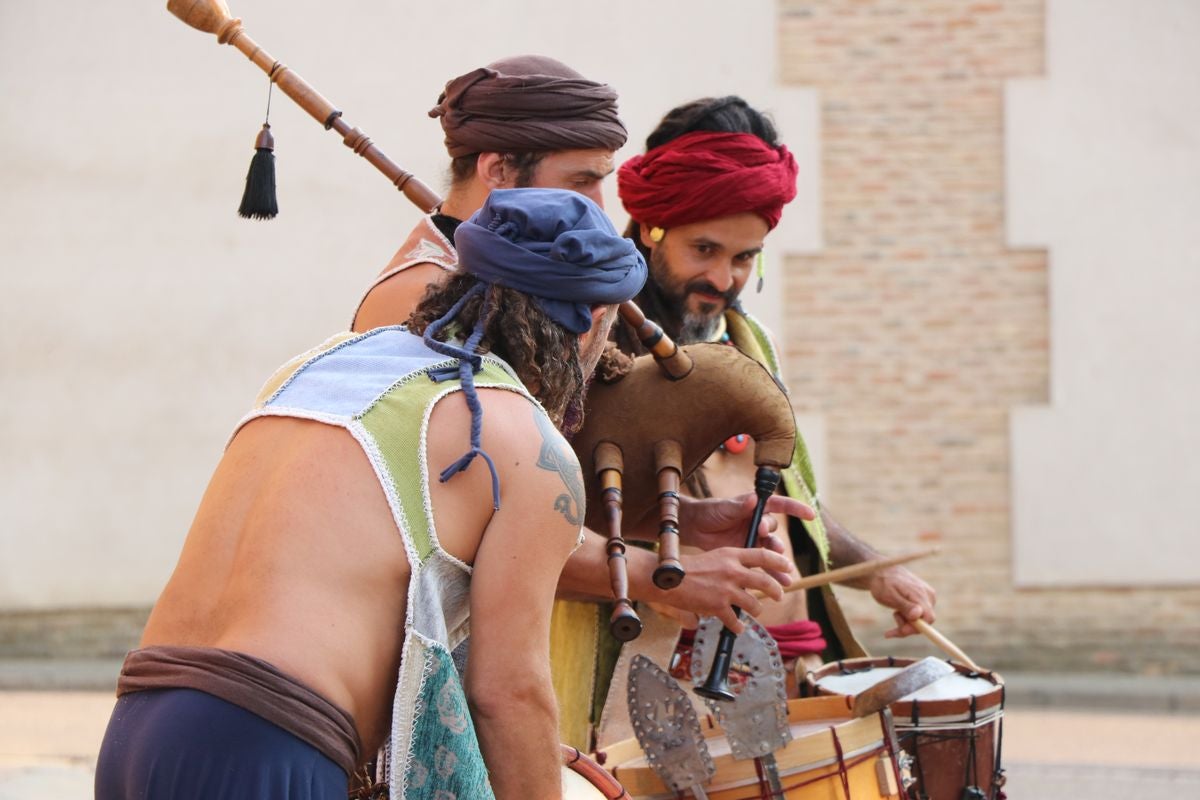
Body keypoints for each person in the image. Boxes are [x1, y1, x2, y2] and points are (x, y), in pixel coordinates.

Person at [94, 189, 650, 800]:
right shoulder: (528, 443)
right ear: (597, 317)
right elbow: (507, 692)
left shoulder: (320, 364)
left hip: (137, 727)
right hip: (271, 739)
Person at [613, 96, 939, 691]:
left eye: (744, 258)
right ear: (648, 229)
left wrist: (873, 572)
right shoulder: (594, 345)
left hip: (790, 667)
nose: (723, 279)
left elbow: (794, 505)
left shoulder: (751, 342)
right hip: (656, 683)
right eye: (704, 250)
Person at [351, 54, 628, 332]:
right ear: (499, 171)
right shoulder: (416, 300)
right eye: (579, 182)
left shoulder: (523, 277)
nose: (598, 207)